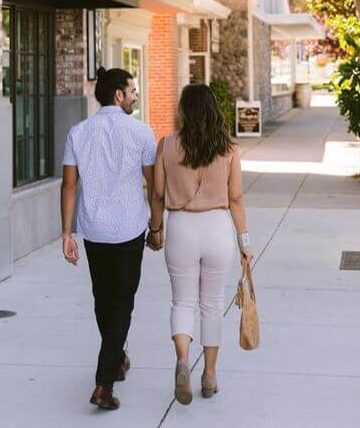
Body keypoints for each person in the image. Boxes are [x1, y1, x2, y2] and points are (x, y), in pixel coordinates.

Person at [147, 83, 253, 405]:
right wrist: (245, 241)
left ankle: (182, 360)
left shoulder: (167, 146)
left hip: (181, 227)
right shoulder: (229, 149)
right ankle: (209, 375)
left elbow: (158, 195)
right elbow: (235, 198)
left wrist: (155, 228)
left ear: (184, 111)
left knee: (183, 302)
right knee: (212, 304)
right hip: (218, 228)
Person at [60, 67, 156, 411]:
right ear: (118, 94)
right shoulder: (143, 133)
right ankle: (104, 383)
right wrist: (157, 226)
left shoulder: (78, 132)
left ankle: (116, 358)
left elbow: (69, 184)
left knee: (103, 299)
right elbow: (154, 185)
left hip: (94, 230)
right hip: (130, 228)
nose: (134, 96)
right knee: (122, 302)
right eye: (132, 90)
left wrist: (66, 232)